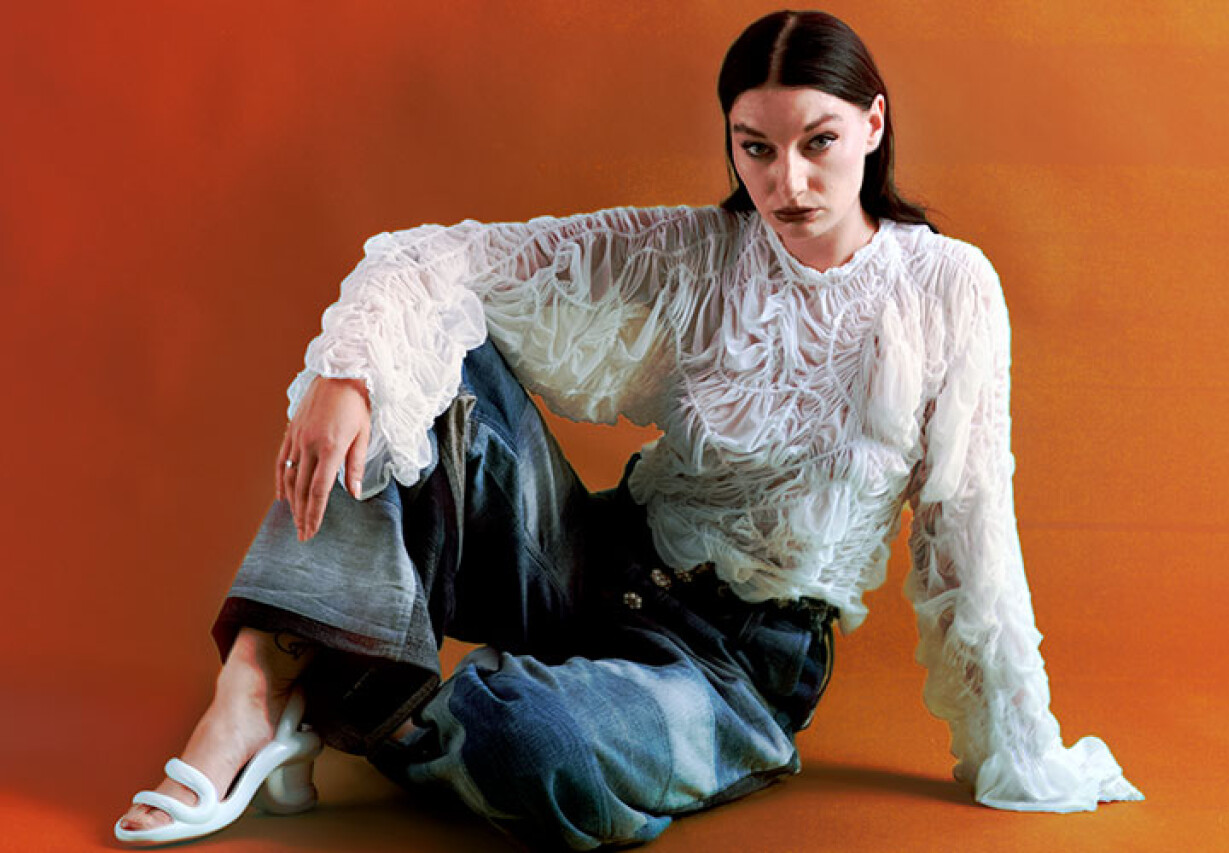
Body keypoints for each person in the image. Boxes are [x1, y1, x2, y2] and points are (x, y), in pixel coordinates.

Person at [115, 9, 1143, 849]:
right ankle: (253, 686)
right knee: (419, 366)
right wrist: (346, 372)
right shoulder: (696, 251)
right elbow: (442, 261)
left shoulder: (948, 286)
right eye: (755, 148)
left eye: (818, 142)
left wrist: (1014, 743)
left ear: (873, 125)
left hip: (731, 666)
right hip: (586, 566)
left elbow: (971, 521)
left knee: (540, 747)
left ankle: (352, 684)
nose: (786, 182)